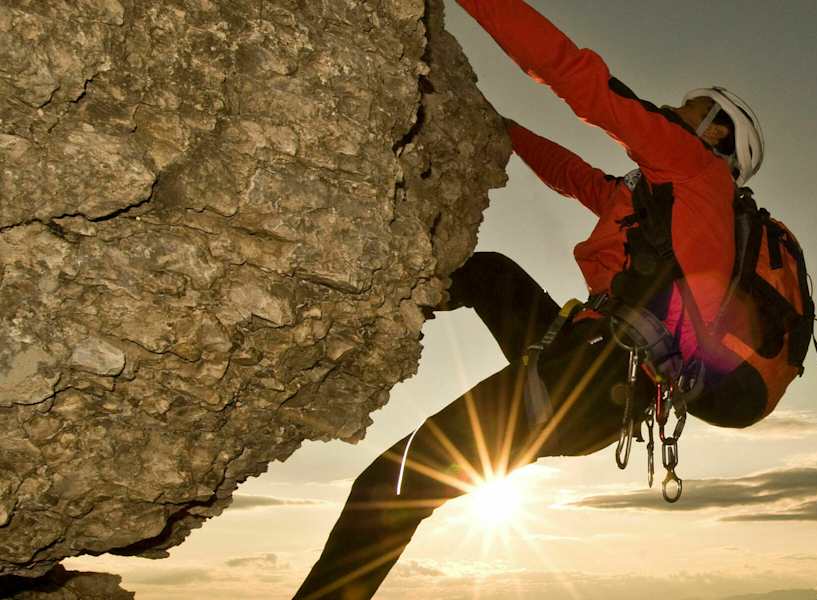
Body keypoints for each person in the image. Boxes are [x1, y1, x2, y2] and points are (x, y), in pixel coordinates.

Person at [291, 0, 770, 597]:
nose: (675, 109)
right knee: (489, 274)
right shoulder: (663, 200)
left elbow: (579, 77)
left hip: (588, 376)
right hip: (592, 372)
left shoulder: (694, 168)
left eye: (692, 107)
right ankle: (374, 303)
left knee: (386, 489)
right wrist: (499, 127)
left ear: (717, 132)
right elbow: (574, 177)